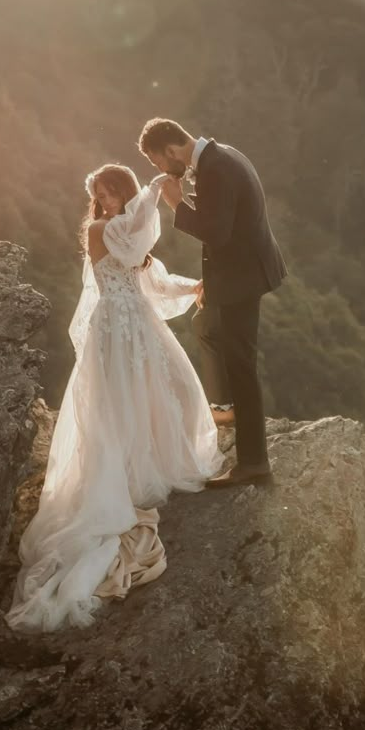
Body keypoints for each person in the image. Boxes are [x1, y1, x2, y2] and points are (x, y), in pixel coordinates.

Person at [5, 164, 223, 632]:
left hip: (140, 321)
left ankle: (163, 452)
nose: (102, 200)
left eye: (109, 192)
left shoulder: (132, 235)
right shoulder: (104, 229)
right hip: (115, 325)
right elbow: (133, 235)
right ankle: (124, 466)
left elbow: (155, 280)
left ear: (119, 191)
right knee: (118, 401)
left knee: (169, 390)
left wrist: (195, 286)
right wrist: (152, 190)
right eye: (98, 194)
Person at [138, 119, 287, 488]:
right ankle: (226, 410)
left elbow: (216, 233)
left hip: (243, 279)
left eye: (159, 163)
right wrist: (212, 282)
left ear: (172, 151)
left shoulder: (216, 169)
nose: (161, 170)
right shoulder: (222, 157)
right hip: (239, 274)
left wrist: (176, 203)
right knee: (206, 326)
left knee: (242, 364)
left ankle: (254, 463)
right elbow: (227, 225)